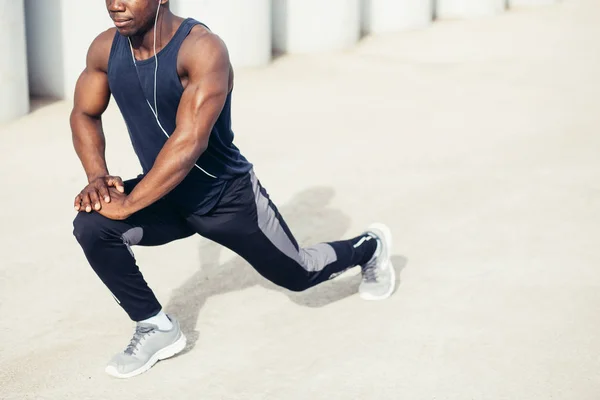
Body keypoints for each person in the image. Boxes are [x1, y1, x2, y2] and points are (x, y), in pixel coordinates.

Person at [71, 0, 396, 379]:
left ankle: (370, 246)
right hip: (163, 193)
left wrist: (128, 205)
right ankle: (155, 326)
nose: (114, 4)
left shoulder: (202, 48)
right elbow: (85, 113)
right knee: (92, 224)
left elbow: (190, 141)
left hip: (225, 197)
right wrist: (98, 177)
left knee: (299, 275)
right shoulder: (104, 49)